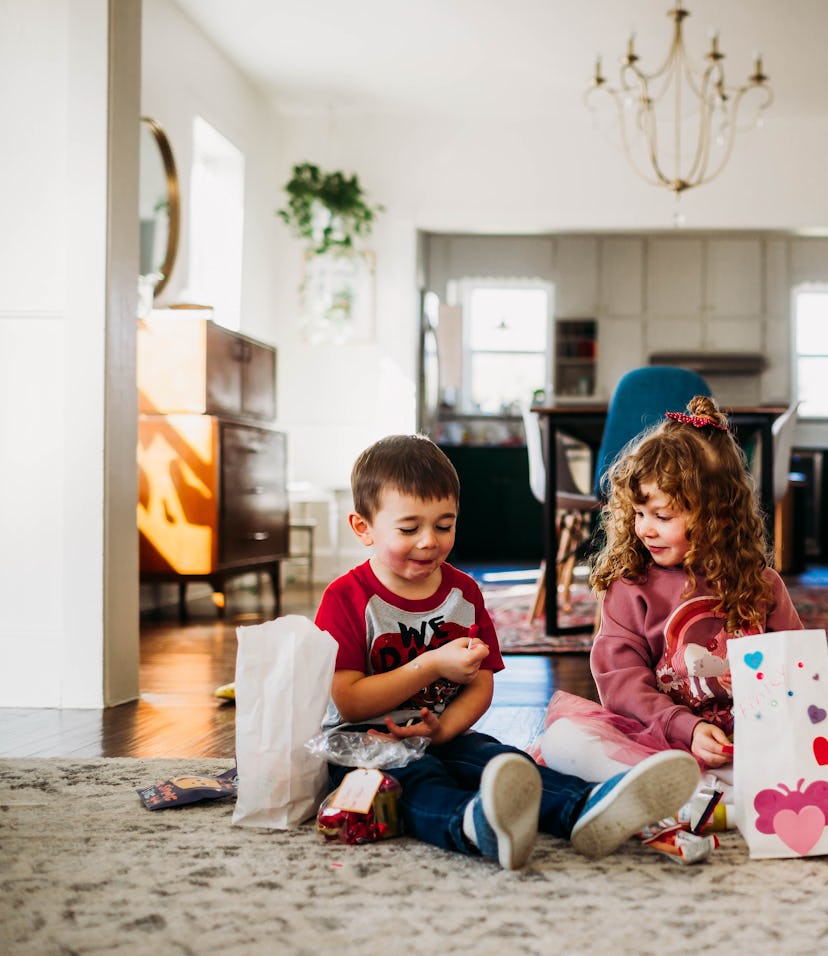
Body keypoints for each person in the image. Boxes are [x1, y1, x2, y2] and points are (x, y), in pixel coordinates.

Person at [315, 433, 699, 869]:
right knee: (420, 781)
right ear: (363, 527)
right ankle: (472, 824)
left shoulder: (462, 592)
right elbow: (347, 698)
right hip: (366, 745)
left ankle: (587, 807)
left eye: (444, 525)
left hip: (444, 732)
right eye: (409, 529)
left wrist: (444, 731)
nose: (429, 541)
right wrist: (431, 665)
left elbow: (481, 682)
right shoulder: (346, 598)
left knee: (503, 762)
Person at [538, 395, 804, 799]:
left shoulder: (762, 584)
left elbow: (795, 670)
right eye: (639, 513)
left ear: (718, 516)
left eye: (662, 517)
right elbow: (621, 683)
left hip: (745, 746)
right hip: (657, 738)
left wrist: (763, 730)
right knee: (565, 739)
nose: (645, 529)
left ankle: (702, 797)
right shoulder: (631, 585)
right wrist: (687, 727)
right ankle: (705, 795)